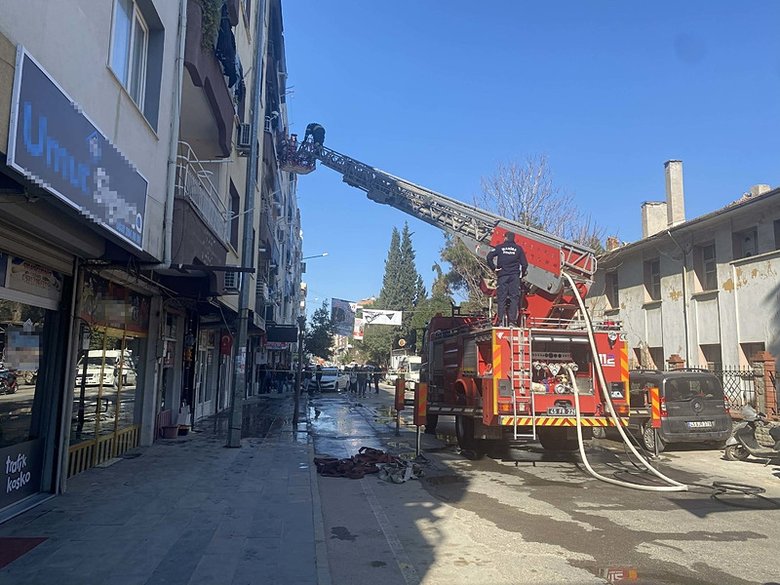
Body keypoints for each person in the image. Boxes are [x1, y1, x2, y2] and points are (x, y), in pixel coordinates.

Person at [486, 231, 528, 326]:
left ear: (505, 238)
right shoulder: (518, 249)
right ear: (513, 238)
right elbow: (524, 264)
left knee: (502, 298)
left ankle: (501, 321)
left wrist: (494, 268)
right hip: (514, 277)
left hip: (503, 276)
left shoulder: (500, 247)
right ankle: (512, 321)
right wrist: (522, 274)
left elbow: (489, 257)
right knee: (514, 298)